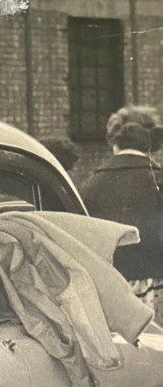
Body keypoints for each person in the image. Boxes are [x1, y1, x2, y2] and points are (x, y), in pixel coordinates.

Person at [80, 105, 163, 325]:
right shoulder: (158, 180)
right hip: (157, 289)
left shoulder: (90, 185)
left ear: (113, 140)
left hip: (109, 292)